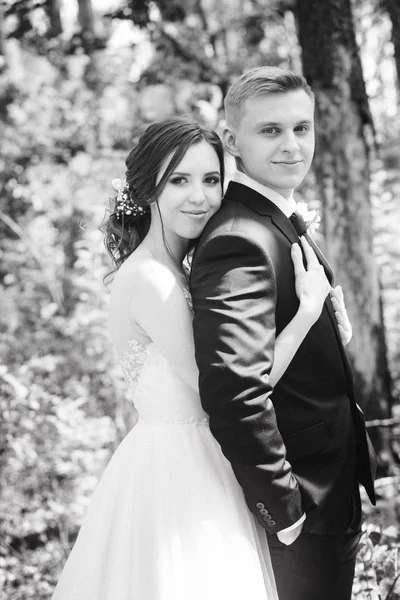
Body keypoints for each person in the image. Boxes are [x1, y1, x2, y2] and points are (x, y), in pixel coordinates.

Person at [52, 116, 340, 600]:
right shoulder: (152, 281)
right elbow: (225, 390)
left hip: (205, 462)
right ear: (147, 190)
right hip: (179, 477)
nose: (200, 197)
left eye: (210, 180)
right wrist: (306, 314)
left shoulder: (178, 272)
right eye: (179, 180)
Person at [190, 66, 377, 600]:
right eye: (270, 131)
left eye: (303, 128)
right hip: (301, 502)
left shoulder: (278, 215)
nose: (293, 145)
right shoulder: (238, 239)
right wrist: (285, 509)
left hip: (328, 481)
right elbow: (234, 391)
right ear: (231, 140)